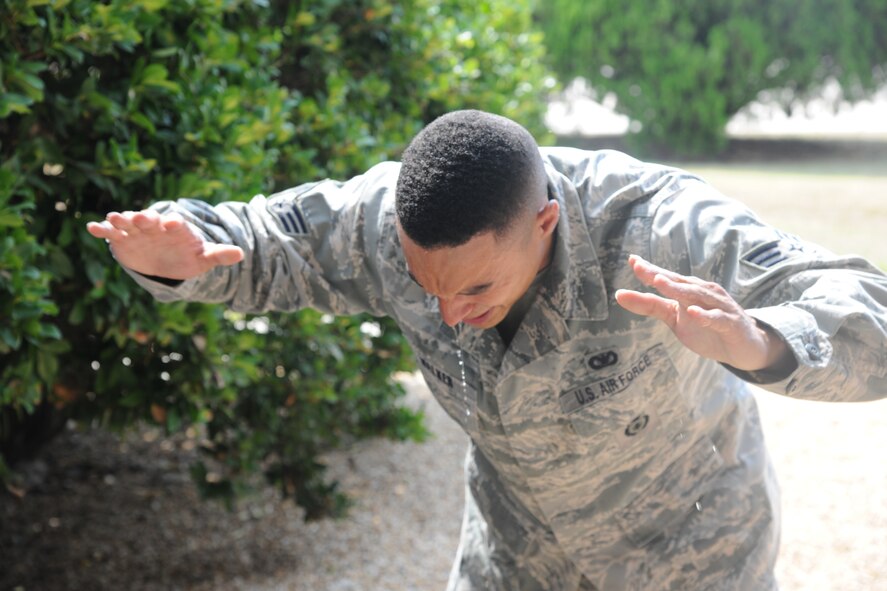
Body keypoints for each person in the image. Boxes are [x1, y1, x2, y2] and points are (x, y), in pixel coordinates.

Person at [86, 110, 887, 590]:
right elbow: (263, 243)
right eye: (426, 285)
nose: (446, 313)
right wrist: (179, 253)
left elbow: (867, 311)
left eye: (473, 289)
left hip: (691, 552)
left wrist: (759, 339)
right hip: (517, 555)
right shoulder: (384, 223)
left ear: (544, 223)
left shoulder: (651, 221)